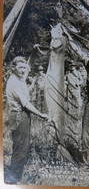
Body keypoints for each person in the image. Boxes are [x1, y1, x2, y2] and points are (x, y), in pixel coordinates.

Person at [5, 56, 48, 184]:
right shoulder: (14, 83)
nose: (24, 70)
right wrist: (41, 114)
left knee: (22, 146)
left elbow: (25, 92)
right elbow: (26, 104)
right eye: (20, 68)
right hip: (19, 115)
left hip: (23, 115)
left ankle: (17, 175)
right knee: (20, 147)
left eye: (25, 67)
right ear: (14, 68)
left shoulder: (19, 79)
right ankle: (13, 179)